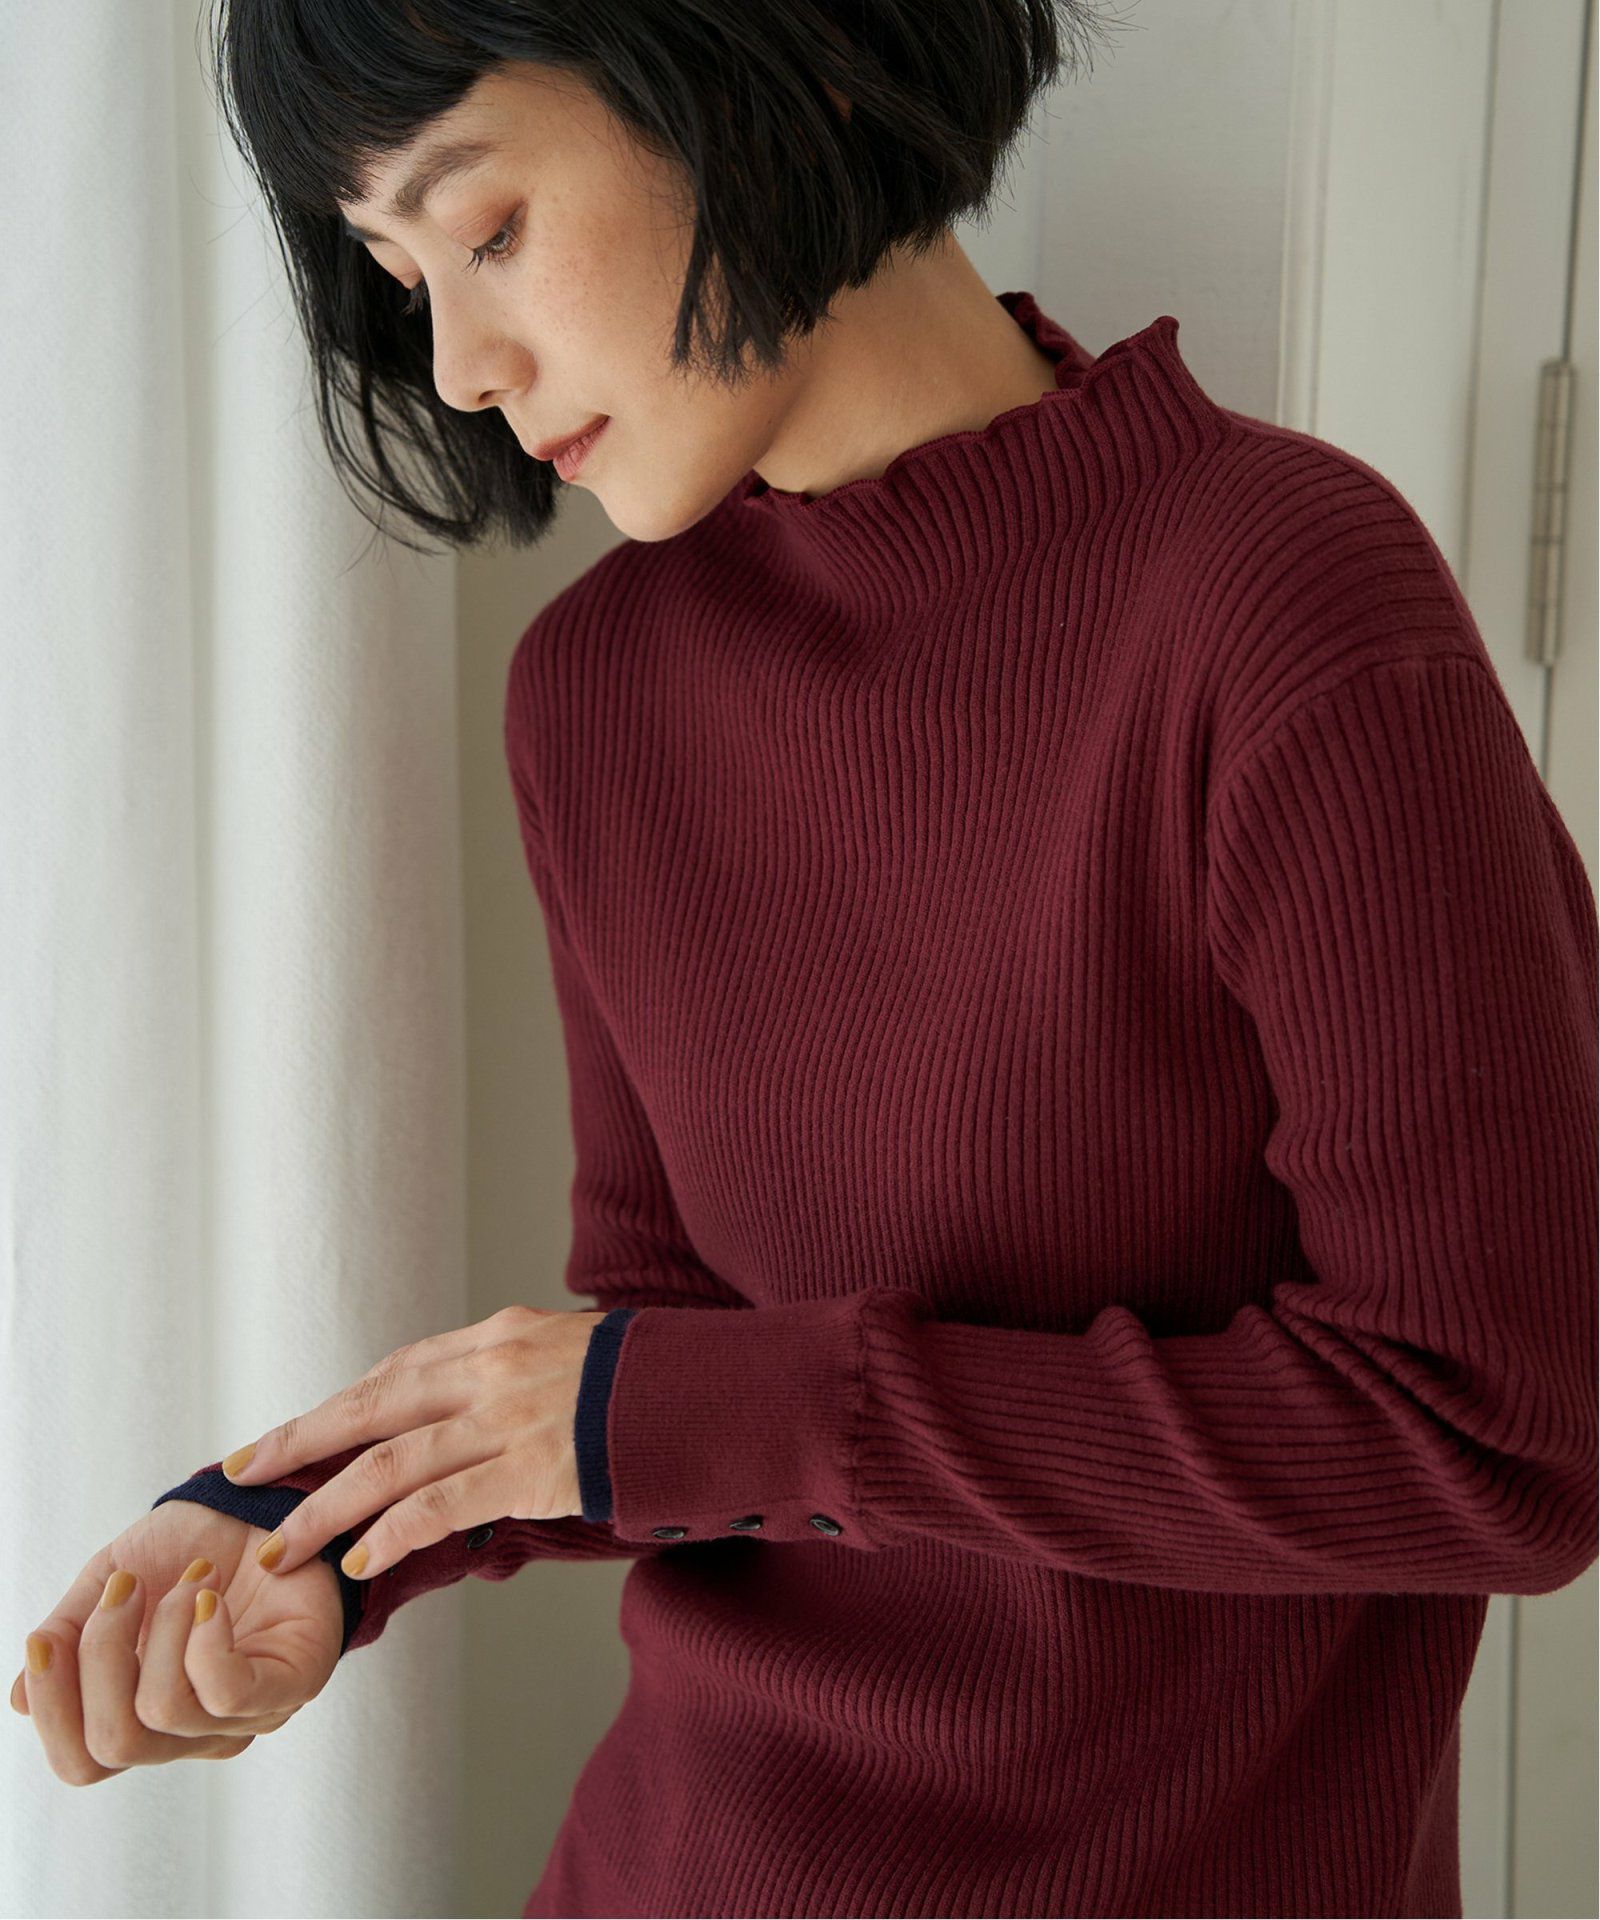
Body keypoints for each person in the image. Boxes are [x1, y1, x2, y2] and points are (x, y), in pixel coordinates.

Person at [16, 2, 1599, 1915]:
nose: (460, 366)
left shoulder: (1276, 604)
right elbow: (663, 1353)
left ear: (779, 59)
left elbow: (1499, 1433)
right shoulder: (597, 696)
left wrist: (707, 1409)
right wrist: (307, 1546)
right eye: (404, 280)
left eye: (489, 227)